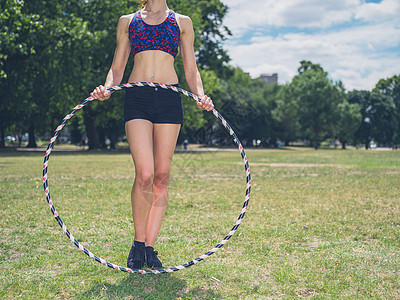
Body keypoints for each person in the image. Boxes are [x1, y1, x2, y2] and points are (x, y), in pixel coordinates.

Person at [90, 0, 214, 269]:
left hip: (170, 97)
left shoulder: (182, 22)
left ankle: (149, 247)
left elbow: (191, 69)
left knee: (161, 177)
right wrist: (108, 87)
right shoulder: (128, 21)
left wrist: (201, 95)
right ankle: (137, 243)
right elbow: (117, 67)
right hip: (137, 97)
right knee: (145, 173)